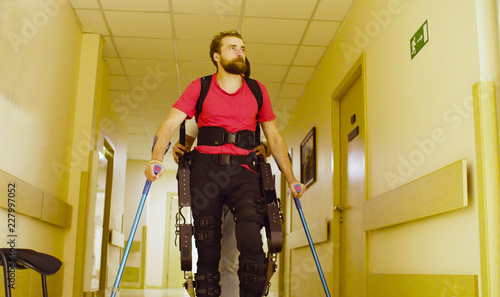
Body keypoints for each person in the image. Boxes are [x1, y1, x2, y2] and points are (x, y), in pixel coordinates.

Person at [145, 30, 305, 297]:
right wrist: (155, 158)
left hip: (244, 173)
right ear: (216, 56)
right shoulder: (201, 86)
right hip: (206, 171)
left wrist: (292, 179)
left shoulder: (257, 90)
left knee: (253, 244)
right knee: (207, 251)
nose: (240, 51)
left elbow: (274, 136)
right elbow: (168, 124)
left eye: (242, 47)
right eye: (232, 47)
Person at [172, 118, 271, 297]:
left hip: (241, 192)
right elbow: (185, 143)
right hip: (209, 188)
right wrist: (180, 149)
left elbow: (268, 145)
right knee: (209, 255)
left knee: (230, 259)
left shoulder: (250, 114)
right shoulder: (205, 113)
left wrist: (265, 148)